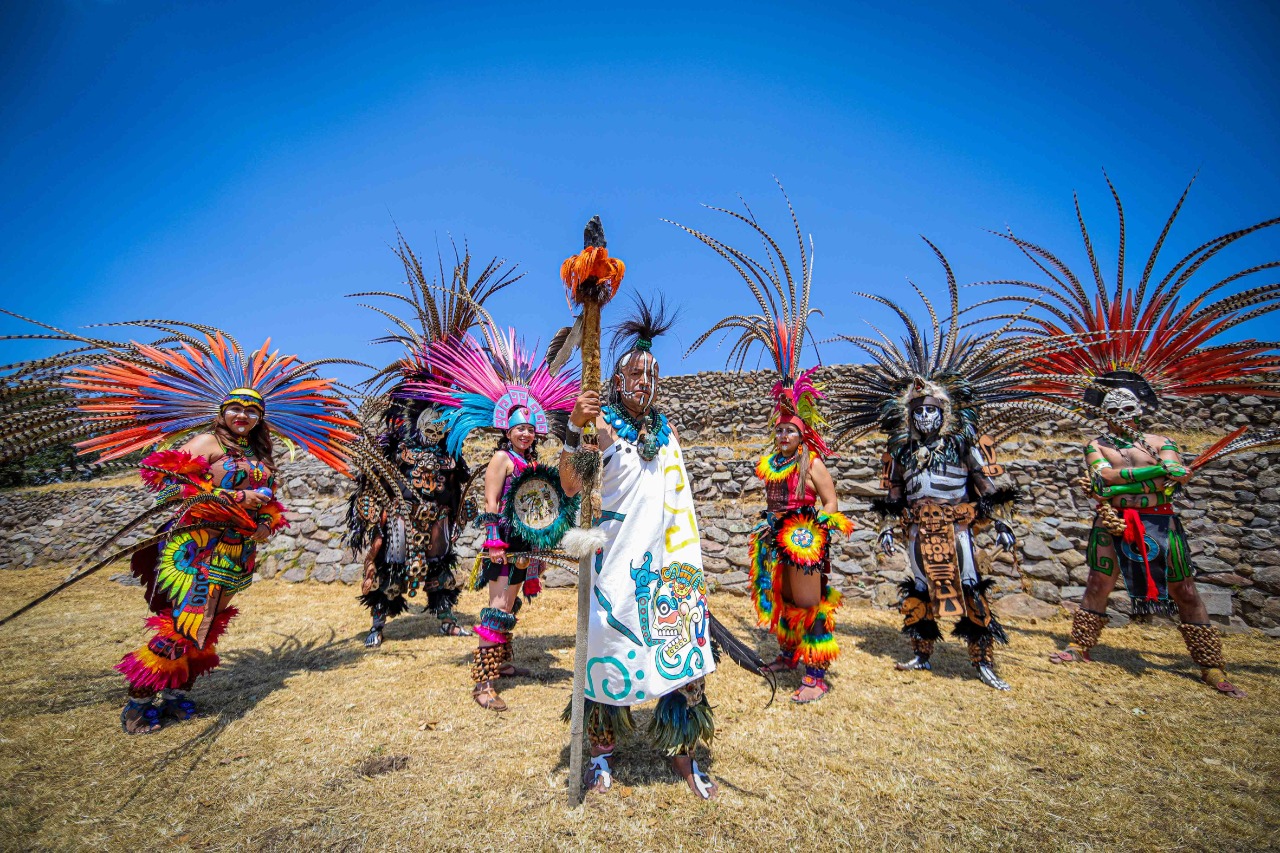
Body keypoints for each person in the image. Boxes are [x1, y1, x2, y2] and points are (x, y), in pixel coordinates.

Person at [989, 175, 1280, 698]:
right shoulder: (1099, 444)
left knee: (1185, 588)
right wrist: (1150, 474)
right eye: (1113, 402)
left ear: (1141, 406)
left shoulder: (1157, 439)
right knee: (1098, 582)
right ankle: (1080, 646)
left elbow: (1170, 468)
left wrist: (1147, 474)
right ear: (1104, 408)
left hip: (1161, 524)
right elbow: (1110, 477)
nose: (1121, 408)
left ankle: (1211, 664)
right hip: (1113, 522)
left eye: (1129, 402)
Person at [0, 318, 355, 733]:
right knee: (187, 620)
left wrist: (266, 522)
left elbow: (270, 500)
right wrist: (232, 498)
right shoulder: (207, 443)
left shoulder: (257, 451)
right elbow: (165, 482)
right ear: (221, 410)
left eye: (252, 411)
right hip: (197, 549)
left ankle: (174, 692)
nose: (244, 416)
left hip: (239, 551)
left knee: (210, 622)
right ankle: (138, 700)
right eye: (236, 408)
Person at [672, 190, 852, 703]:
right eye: (780, 429)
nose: (782, 435)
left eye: (791, 430)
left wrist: (818, 525)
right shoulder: (773, 461)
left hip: (804, 536)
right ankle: (788, 654)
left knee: (808, 600)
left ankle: (815, 674)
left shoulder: (810, 463)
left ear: (804, 433)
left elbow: (832, 501)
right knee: (775, 596)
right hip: (774, 533)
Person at [559, 295, 719, 800]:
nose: (644, 382)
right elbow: (567, 485)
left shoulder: (667, 433)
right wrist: (572, 429)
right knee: (608, 654)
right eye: (635, 374)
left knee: (683, 661)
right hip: (617, 568)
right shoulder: (600, 428)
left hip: (673, 567)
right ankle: (602, 759)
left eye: (652, 375)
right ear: (617, 380)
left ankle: (684, 758)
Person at [345, 241, 520, 647]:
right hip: (405, 505)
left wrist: (456, 490)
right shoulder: (404, 406)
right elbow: (386, 457)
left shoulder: (455, 411)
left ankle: (444, 617)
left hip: (438, 503)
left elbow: (456, 458)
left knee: (440, 561)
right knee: (394, 560)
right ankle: (378, 623)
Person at [403, 318, 579, 712]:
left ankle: (505, 661)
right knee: (497, 607)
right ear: (507, 431)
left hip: (523, 546)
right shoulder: (502, 458)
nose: (526, 434)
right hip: (504, 547)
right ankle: (483, 684)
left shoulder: (529, 462)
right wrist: (495, 541)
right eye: (520, 429)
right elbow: (490, 503)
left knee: (510, 604)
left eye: (530, 429)